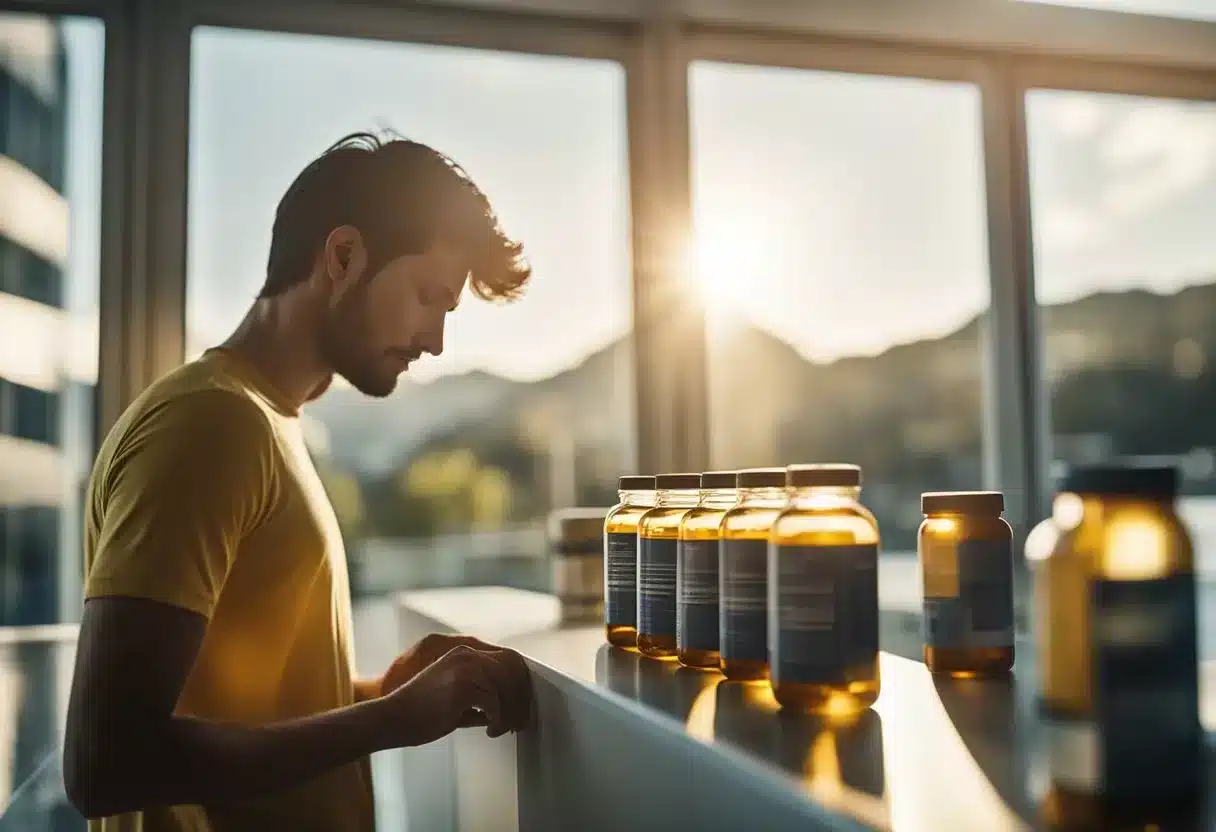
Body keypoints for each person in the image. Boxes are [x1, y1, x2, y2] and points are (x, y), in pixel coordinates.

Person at [63, 132, 536, 831]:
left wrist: (379, 694)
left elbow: (232, 697)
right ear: (344, 257)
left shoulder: (270, 423)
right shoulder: (209, 425)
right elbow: (108, 761)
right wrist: (386, 723)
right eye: (427, 296)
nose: (436, 340)